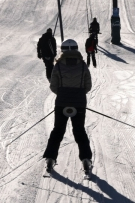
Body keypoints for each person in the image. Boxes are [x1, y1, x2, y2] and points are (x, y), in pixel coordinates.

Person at [43, 39, 93, 176]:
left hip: (61, 103)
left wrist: (64, 94)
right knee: (79, 131)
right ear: (76, 49)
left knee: (58, 131)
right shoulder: (83, 66)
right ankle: (86, 159)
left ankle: (50, 158)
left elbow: (53, 86)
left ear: (63, 50)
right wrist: (77, 95)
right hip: (79, 103)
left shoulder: (58, 66)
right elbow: (88, 86)